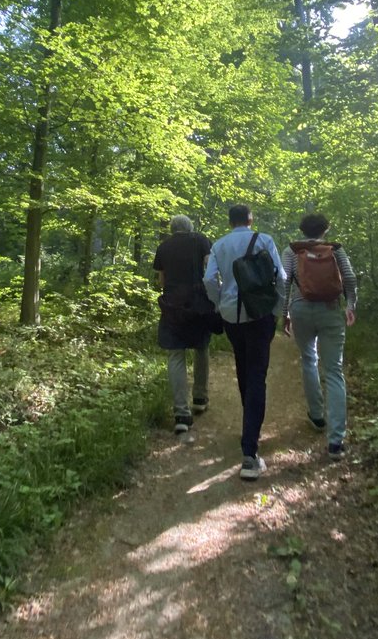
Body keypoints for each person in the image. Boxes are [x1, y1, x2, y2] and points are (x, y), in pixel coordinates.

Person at [203, 204, 287, 480]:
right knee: (257, 375)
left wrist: (219, 304)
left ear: (230, 221)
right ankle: (250, 453)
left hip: (231, 316)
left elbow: (208, 280)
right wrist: (278, 310)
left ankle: (248, 427)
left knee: (243, 368)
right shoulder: (264, 240)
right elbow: (281, 278)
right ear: (250, 219)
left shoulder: (219, 245)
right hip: (260, 314)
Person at [281, 212, 357, 460]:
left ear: (303, 230)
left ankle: (316, 416)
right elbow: (349, 277)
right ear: (325, 229)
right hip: (331, 309)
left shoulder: (292, 250)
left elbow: (283, 282)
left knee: (308, 359)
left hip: (301, 309)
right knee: (334, 370)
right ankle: (336, 442)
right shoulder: (335, 249)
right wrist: (350, 306)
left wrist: (284, 314)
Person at [153, 215, 215, 434]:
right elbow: (210, 270)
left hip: (172, 307)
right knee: (201, 347)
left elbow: (161, 281)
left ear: (172, 229)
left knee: (175, 355)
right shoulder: (201, 240)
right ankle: (200, 397)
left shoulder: (163, 247)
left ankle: (181, 413)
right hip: (198, 303)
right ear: (190, 227)